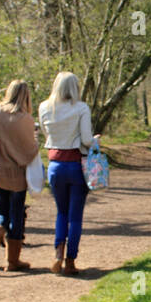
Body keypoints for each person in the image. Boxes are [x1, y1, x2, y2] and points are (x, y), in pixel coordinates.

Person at [0, 80, 40, 273]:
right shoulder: (26, 119)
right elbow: (30, 150)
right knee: (17, 215)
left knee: (1, 214)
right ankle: (13, 261)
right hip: (17, 175)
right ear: (26, 96)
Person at [38, 72, 97, 276]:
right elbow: (87, 140)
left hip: (55, 164)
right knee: (76, 216)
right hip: (76, 165)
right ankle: (71, 259)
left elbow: (47, 136)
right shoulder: (81, 108)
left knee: (61, 212)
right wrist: (95, 140)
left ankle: (58, 253)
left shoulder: (45, 107)